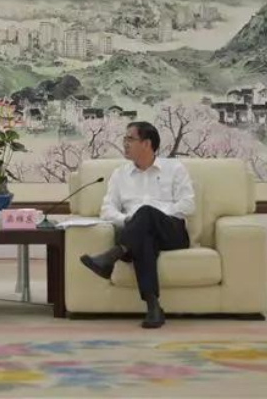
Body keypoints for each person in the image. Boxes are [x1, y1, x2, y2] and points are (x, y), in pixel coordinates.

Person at [79, 121, 194, 329]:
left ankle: (114, 254)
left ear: (147, 143)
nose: (124, 143)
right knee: (144, 238)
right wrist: (129, 220)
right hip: (135, 234)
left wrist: (152, 215)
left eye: (130, 139)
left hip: (171, 232)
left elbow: (187, 205)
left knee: (146, 213)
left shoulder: (174, 168)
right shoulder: (120, 174)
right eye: (124, 139)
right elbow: (107, 210)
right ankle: (153, 307)